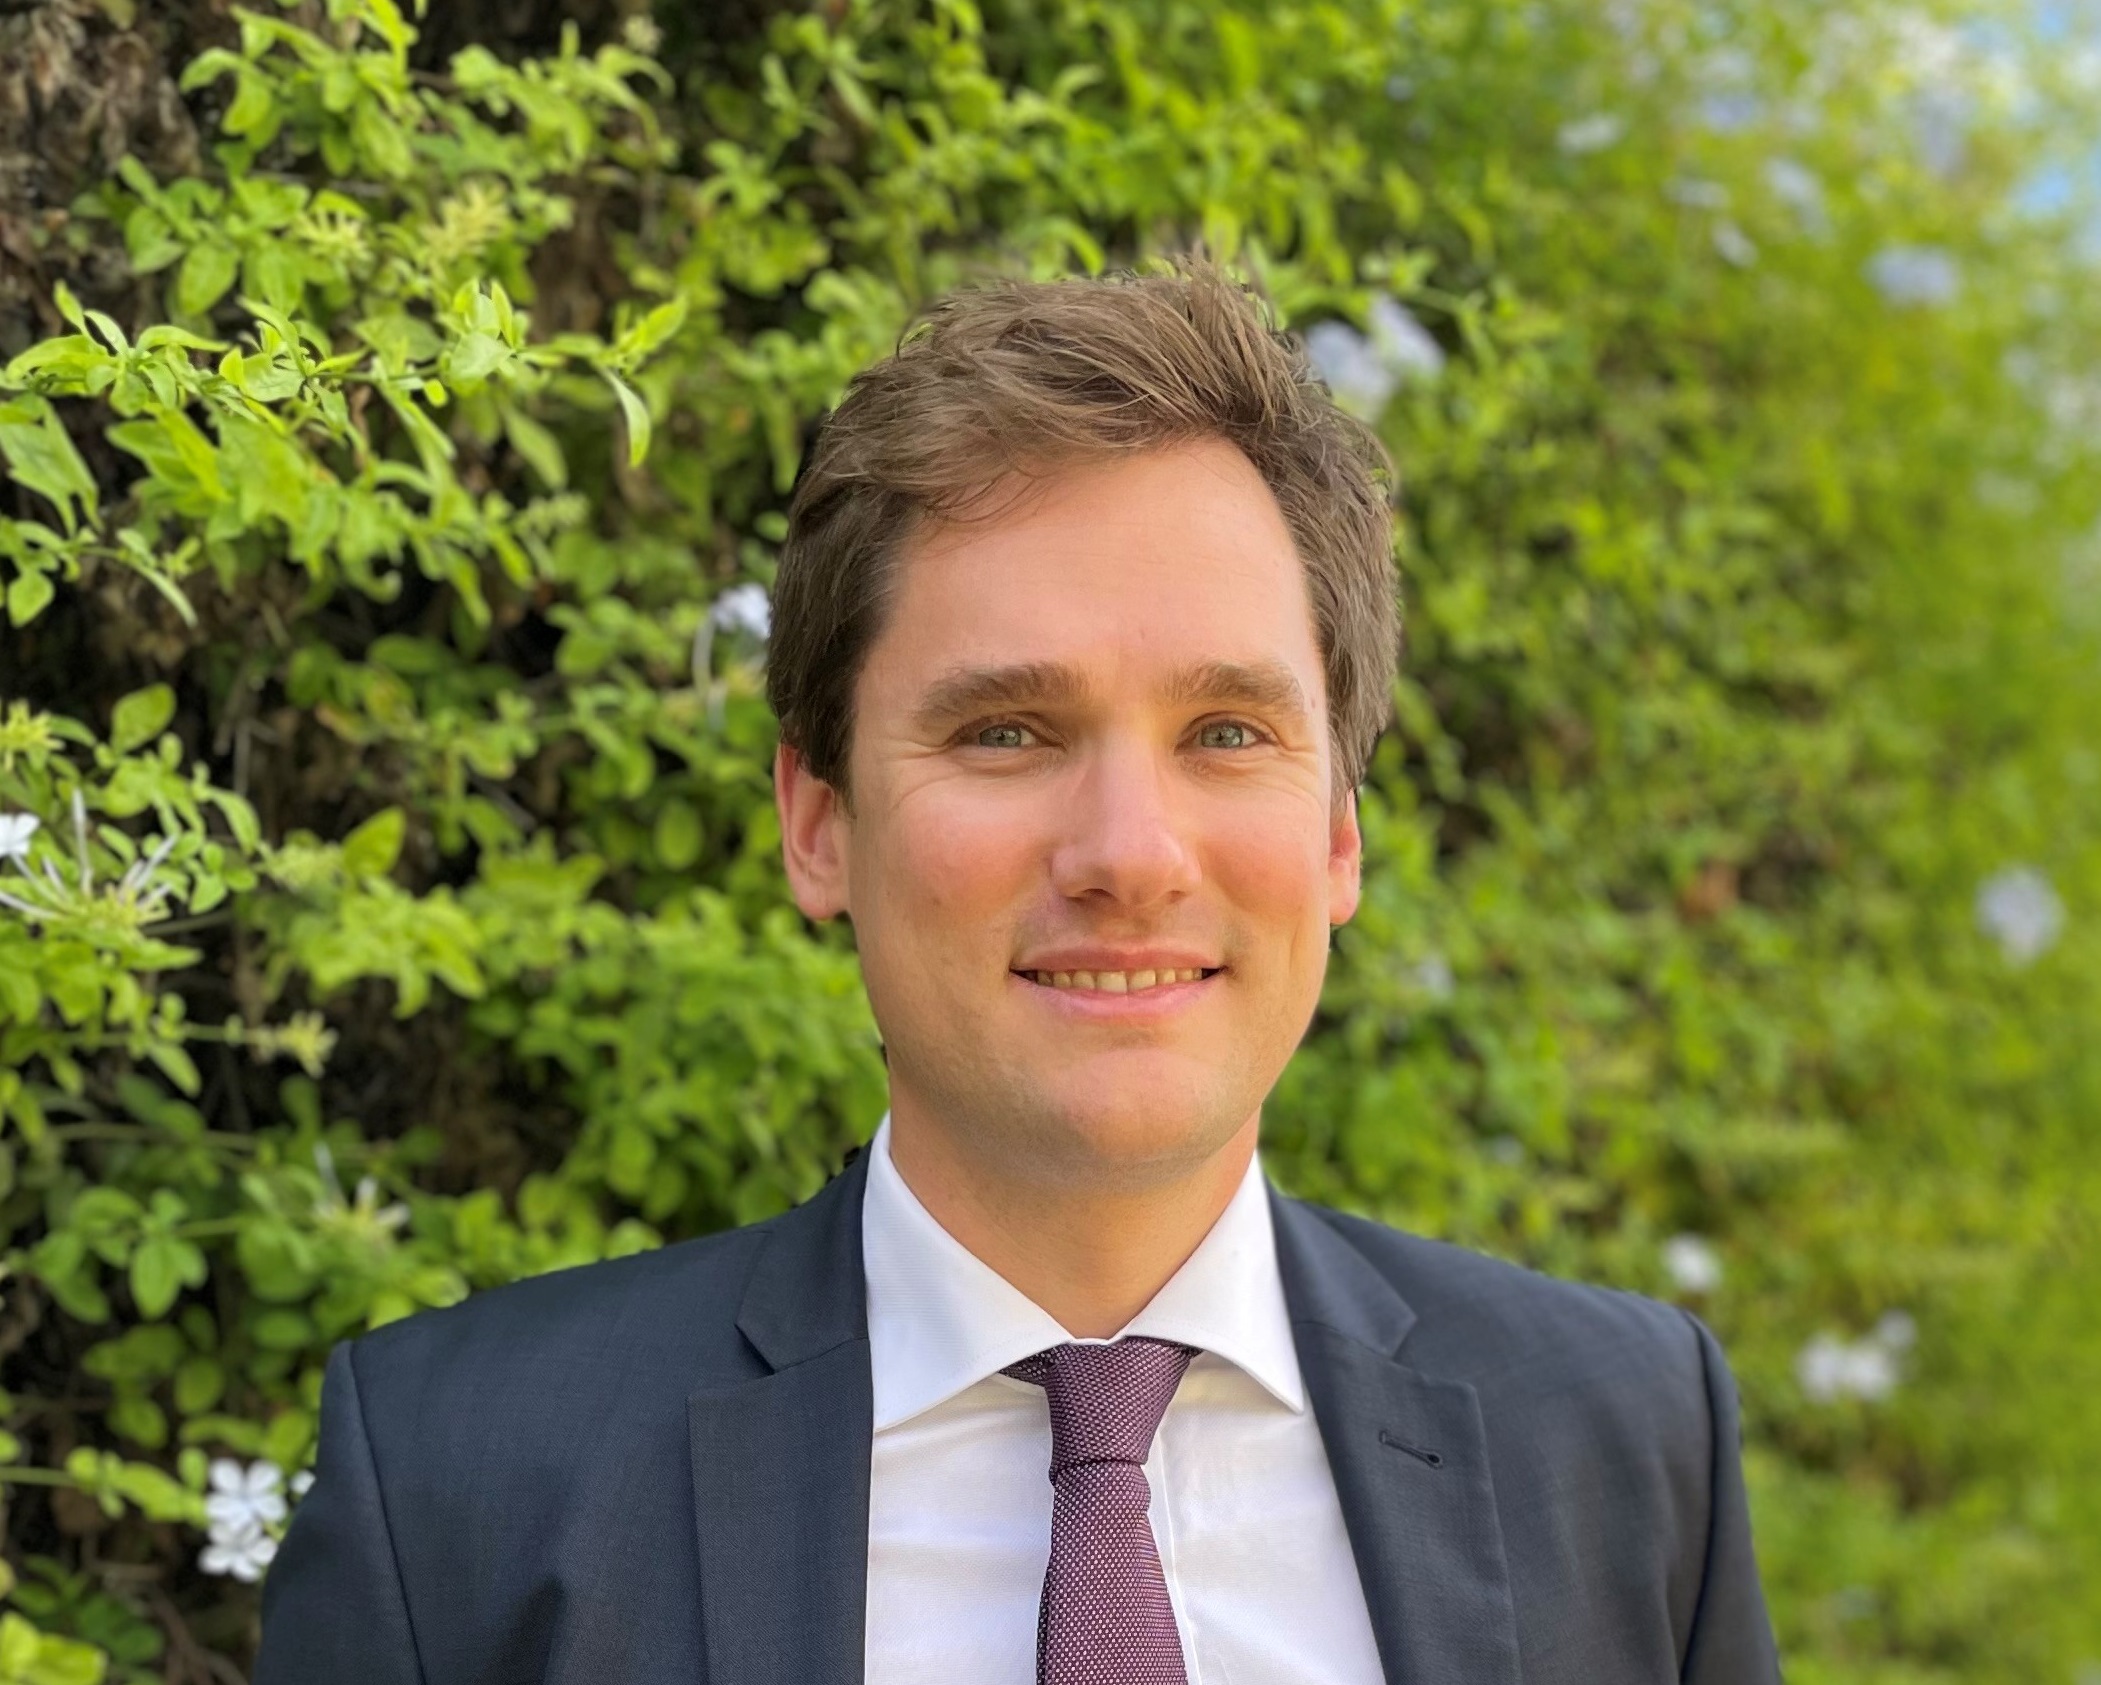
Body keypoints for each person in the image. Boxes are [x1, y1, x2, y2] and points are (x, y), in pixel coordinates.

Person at [253, 260, 1780, 1684]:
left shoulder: (1622, 1441)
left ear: (1336, 833)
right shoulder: (457, 1490)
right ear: (817, 822)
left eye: (1226, 732)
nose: (1130, 854)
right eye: (1005, 732)